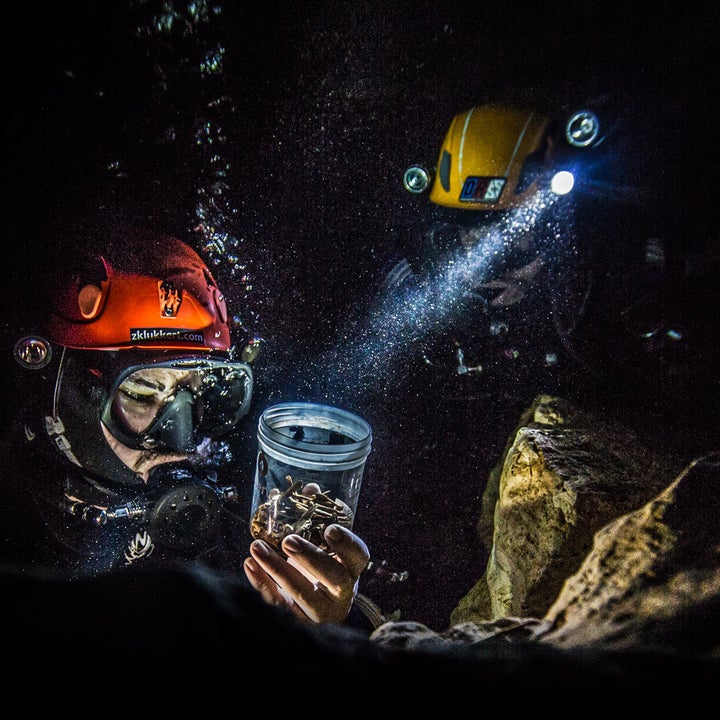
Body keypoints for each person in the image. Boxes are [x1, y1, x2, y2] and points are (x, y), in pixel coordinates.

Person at [1, 222, 371, 627]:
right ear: (67, 394)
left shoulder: (255, 563)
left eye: (205, 395)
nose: (185, 437)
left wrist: (324, 638)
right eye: (143, 394)